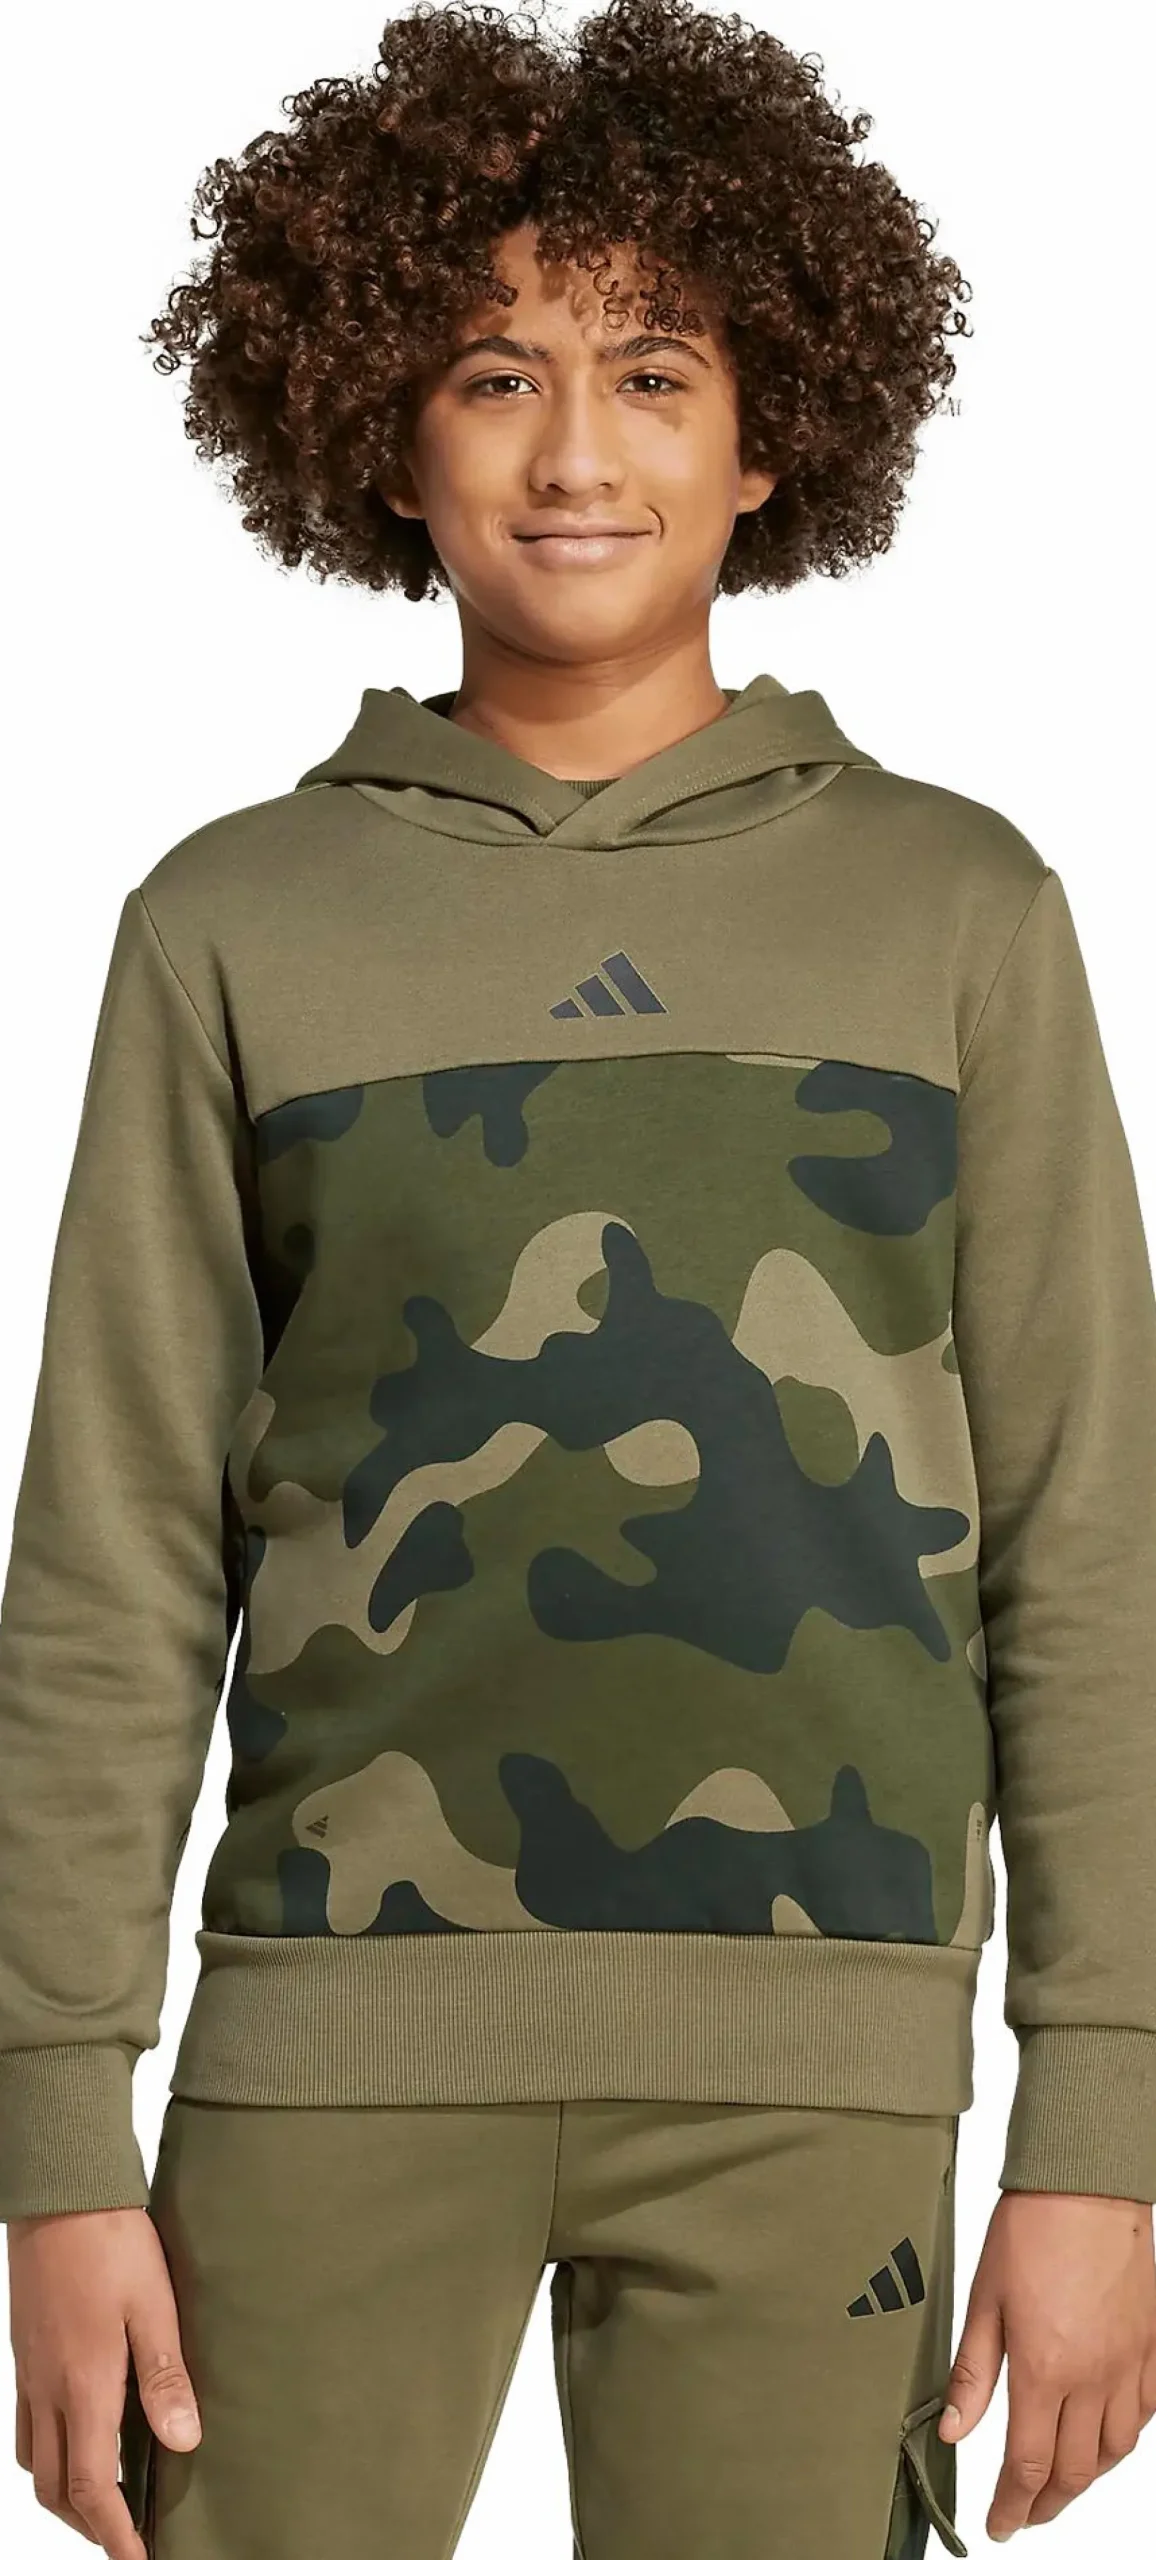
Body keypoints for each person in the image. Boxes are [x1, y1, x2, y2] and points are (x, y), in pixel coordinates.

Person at [1, 0, 1154, 2552]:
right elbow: (108, 1557)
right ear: (374, 430)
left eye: (650, 373)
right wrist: (52, 2134)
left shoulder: (954, 909)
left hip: (818, 2065)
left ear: (767, 439)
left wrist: (1102, 2120)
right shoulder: (231, 919)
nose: (570, 453)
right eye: (491, 373)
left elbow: (1088, 1545)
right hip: (319, 2058)